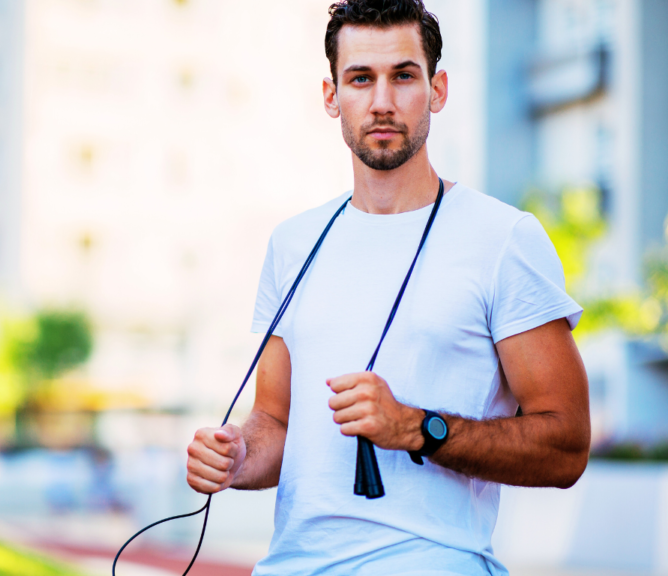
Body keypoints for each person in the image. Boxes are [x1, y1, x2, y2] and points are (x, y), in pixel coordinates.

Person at [184, 1, 591, 574]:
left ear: (438, 89)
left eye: (403, 76)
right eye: (360, 79)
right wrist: (236, 454)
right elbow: (276, 422)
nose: (382, 101)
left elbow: (567, 445)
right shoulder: (293, 243)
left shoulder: (504, 239)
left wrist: (417, 428)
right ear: (332, 97)